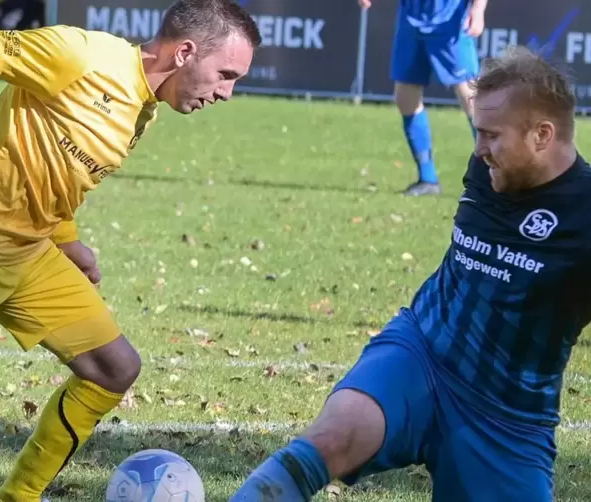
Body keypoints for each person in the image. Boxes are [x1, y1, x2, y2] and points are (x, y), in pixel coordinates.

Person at [0, 1, 260, 501]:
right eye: (226, 74)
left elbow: (53, 171)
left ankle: (18, 497)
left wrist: (68, 241)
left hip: (28, 250)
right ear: (186, 51)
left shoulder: (141, 107)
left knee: (114, 369)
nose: (227, 93)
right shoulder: (83, 56)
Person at [231, 46, 588, 501]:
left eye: (492, 136)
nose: (479, 150)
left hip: (504, 415)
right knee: (331, 439)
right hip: (420, 351)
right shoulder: (487, 168)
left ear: (542, 135)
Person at [359, 0, 488, 196]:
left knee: (471, 98)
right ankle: (428, 179)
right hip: (411, 18)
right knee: (405, 97)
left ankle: (497, 178)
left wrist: (478, 9)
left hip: (450, 19)